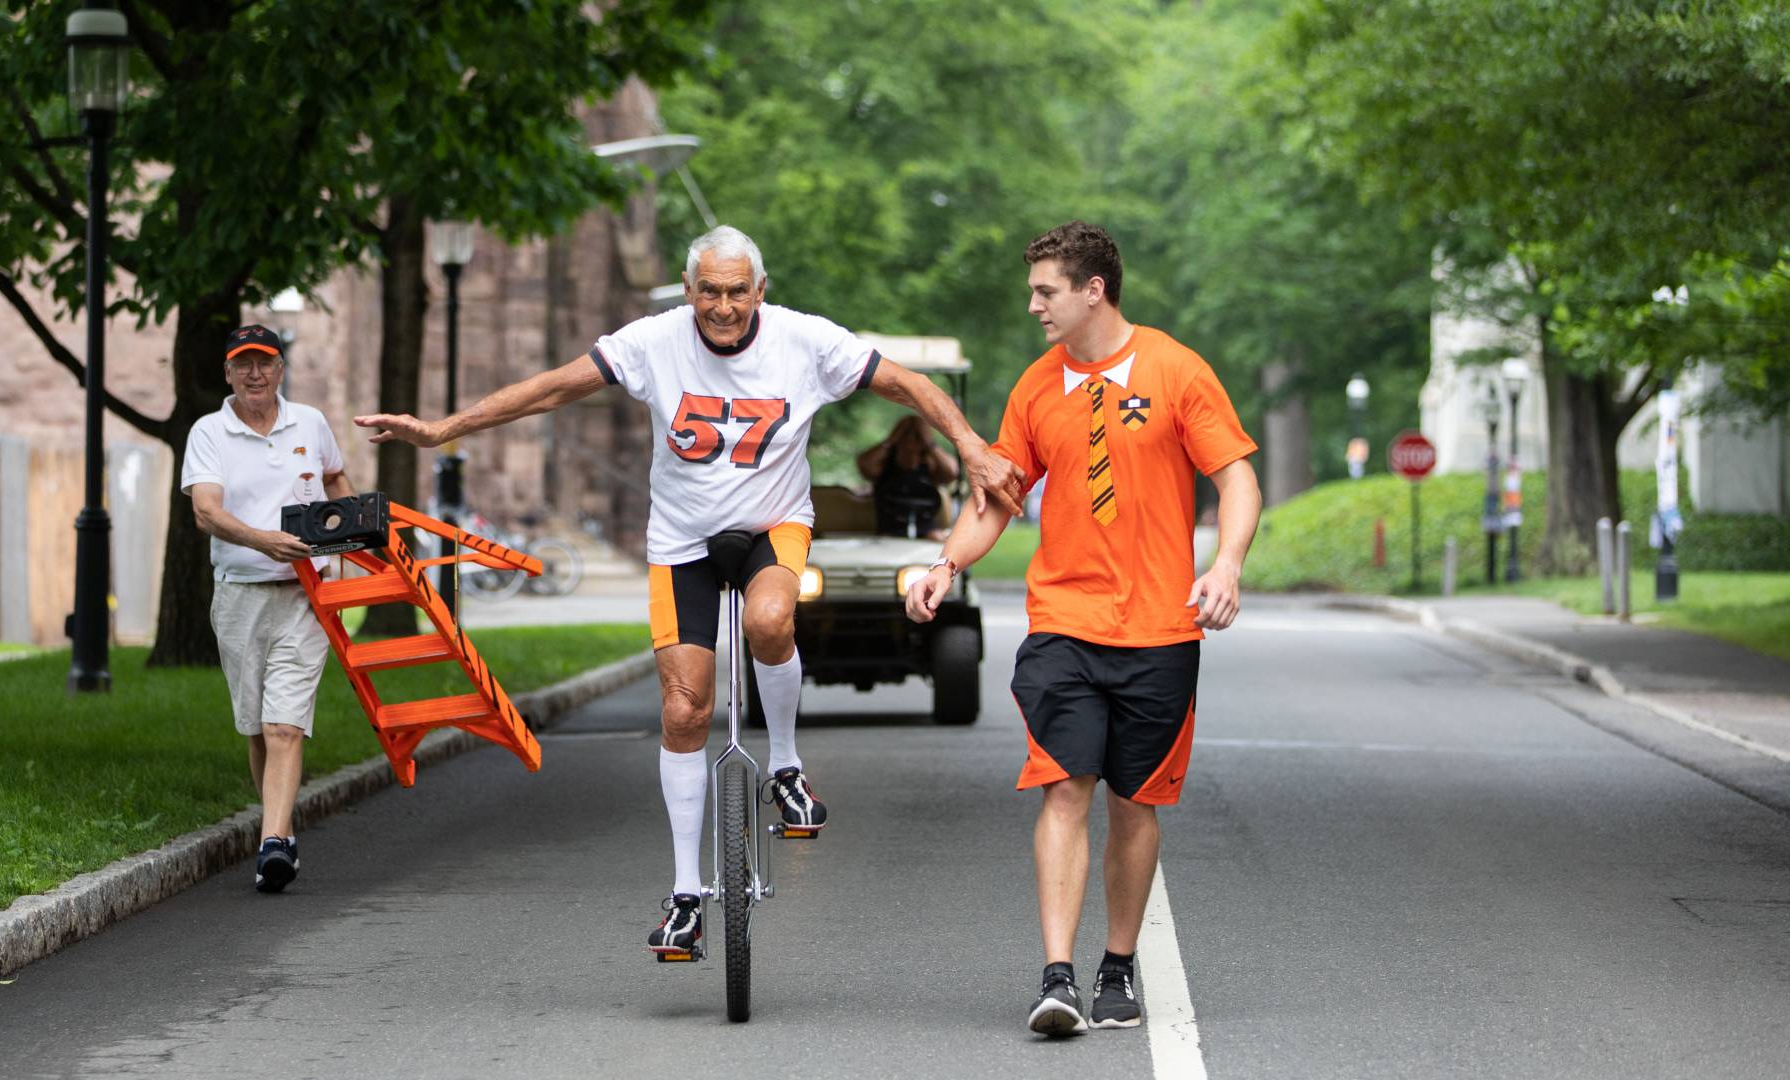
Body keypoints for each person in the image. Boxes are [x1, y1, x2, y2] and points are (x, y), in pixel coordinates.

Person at [355, 225, 1024, 956]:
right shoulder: (653, 342)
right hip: (682, 545)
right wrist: (443, 428)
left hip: (775, 525)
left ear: (761, 291)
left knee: (771, 622)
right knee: (684, 710)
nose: (725, 305)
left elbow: (912, 385)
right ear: (689, 289)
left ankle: (788, 767)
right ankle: (684, 896)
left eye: (739, 291)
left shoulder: (805, 342)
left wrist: (971, 448)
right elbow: (551, 388)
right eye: (710, 290)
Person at [906, 222, 1262, 1036]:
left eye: (1045, 290)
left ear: (1092, 289)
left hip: (1160, 630)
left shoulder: (1177, 371)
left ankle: (1117, 965)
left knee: (1135, 803)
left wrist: (1227, 563)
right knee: (1065, 787)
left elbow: (1236, 478)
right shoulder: (1036, 387)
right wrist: (946, 564)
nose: (1033, 305)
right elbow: (998, 494)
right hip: (1063, 623)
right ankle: (1057, 975)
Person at [182, 324, 356, 893]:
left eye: (266, 363)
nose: (255, 373)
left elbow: (334, 477)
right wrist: (266, 541)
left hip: (308, 595)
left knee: (285, 726)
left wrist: (350, 538)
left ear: (281, 369)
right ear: (228, 373)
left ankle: (274, 843)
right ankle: (275, 831)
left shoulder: (309, 422)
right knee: (257, 726)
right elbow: (206, 512)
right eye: (243, 364)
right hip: (240, 594)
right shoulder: (210, 432)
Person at [858, 415, 959, 539]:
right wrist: (890, 441)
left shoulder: (931, 465)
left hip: (927, 529)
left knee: (937, 540)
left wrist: (930, 444)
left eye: (916, 437)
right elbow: (864, 465)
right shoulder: (884, 465)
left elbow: (953, 472)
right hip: (889, 530)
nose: (910, 441)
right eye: (906, 435)